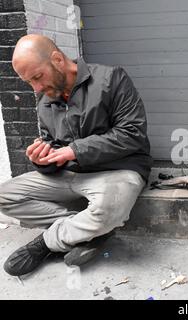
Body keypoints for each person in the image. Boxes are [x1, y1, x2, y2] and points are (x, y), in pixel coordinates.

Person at [0, 34, 151, 276]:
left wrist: (74, 150)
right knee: (4, 195)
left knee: (109, 208)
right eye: (29, 82)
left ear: (57, 59)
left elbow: (132, 134)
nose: (36, 88)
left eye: (37, 77)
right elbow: (52, 146)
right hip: (70, 174)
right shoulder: (45, 101)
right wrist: (42, 160)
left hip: (117, 171)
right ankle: (85, 229)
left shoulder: (111, 78)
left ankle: (47, 243)